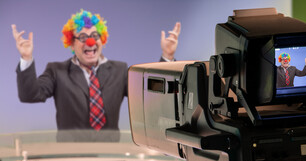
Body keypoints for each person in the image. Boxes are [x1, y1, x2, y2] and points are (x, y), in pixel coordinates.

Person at [12, 10, 181, 142]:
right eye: (83, 37)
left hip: (110, 153)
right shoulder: (57, 70)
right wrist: (26, 58)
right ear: (71, 43)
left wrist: (167, 57)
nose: (90, 42)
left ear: (102, 39)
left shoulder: (120, 70)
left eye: (94, 36)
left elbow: (148, 97)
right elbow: (30, 95)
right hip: (70, 154)